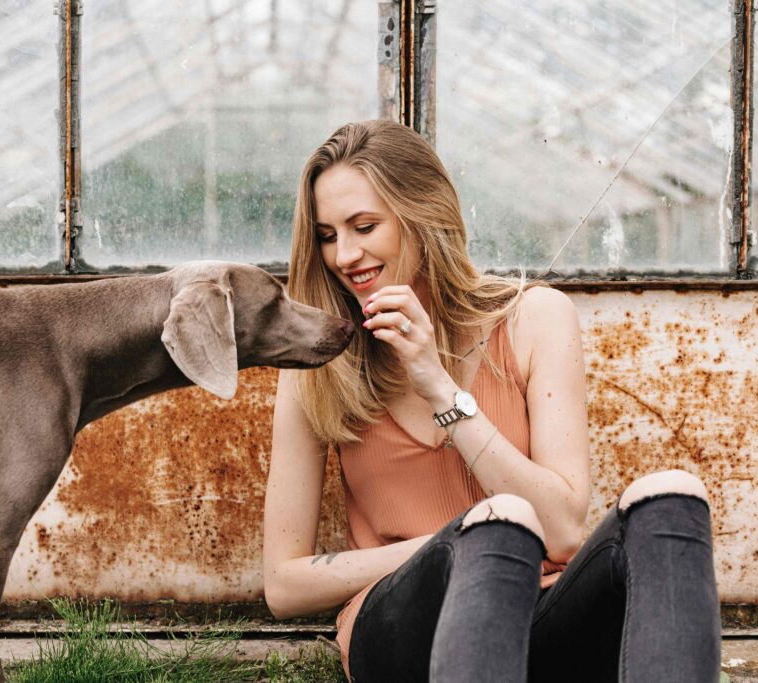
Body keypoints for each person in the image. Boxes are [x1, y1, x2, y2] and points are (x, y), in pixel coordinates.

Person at [261, 119, 720, 682]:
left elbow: (562, 529)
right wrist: (459, 542)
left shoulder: (534, 319)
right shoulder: (319, 362)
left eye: (364, 226)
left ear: (422, 214)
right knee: (497, 524)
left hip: (541, 616)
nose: (345, 255)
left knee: (670, 498)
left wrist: (440, 387)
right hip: (401, 623)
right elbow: (283, 584)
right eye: (329, 235)